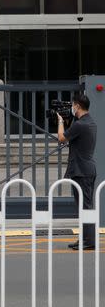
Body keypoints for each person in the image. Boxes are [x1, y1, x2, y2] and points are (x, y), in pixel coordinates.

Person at [57, 94, 97, 250]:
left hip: (82, 171)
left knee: (85, 207)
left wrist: (60, 121)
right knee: (84, 206)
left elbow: (61, 138)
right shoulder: (88, 122)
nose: (72, 108)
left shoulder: (81, 125)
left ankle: (89, 241)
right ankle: (84, 238)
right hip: (85, 169)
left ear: (78, 106)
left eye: (73, 105)